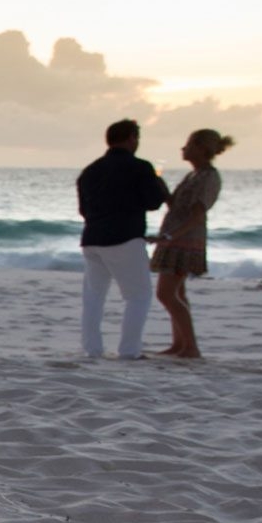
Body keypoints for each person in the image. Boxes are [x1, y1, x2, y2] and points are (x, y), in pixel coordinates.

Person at [75, 119, 170, 360]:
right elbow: (153, 202)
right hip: (125, 238)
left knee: (94, 297)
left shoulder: (90, 170)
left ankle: (92, 349)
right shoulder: (139, 167)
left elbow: (83, 210)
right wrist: (159, 184)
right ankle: (129, 350)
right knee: (138, 296)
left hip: (92, 238)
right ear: (131, 138)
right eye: (136, 138)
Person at [152, 129, 234, 358]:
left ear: (200, 148)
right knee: (177, 293)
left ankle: (191, 346)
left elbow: (197, 215)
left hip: (184, 242)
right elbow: (177, 207)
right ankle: (180, 344)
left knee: (166, 294)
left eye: (188, 145)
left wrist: (170, 236)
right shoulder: (194, 175)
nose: (183, 149)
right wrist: (159, 186)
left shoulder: (207, 176)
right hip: (176, 239)